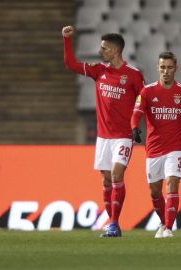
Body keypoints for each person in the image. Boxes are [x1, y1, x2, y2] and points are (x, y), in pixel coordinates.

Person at [62, 26, 145, 237]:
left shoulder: (133, 76)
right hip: (103, 137)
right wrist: (66, 40)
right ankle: (112, 223)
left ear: (115, 51)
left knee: (117, 174)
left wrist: (137, 124)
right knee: (107, 180)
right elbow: (70, 64)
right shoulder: (99, 71)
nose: (100, 52)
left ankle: (115, 223)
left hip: (123, 136)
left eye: (104, 48)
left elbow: (143, 100)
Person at [131, 51, 181, 238]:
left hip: (175, 148)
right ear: (158, 68)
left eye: (170, 67)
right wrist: (134, 128)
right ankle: (164, 222)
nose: (166, 71)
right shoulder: (147, 91)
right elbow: (136, 113)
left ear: (176, 69)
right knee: (155, 191)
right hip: (154, 148)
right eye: (162, 67)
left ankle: (169, 228)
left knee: (172, 182)